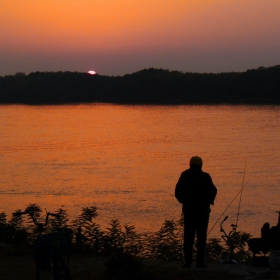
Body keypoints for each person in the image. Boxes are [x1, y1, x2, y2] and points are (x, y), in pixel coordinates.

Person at [175, 156, 217, 268]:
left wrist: (184, 201)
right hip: (203, 212)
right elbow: (213, 190)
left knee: (188, 237)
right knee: (201, 237)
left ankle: (188, 261)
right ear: (201, 165)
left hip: (189, 211)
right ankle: (200, 262)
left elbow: (177, 191)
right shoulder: (205, 176)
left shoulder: (185, 175)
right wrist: (209, 201)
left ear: (190, 164)